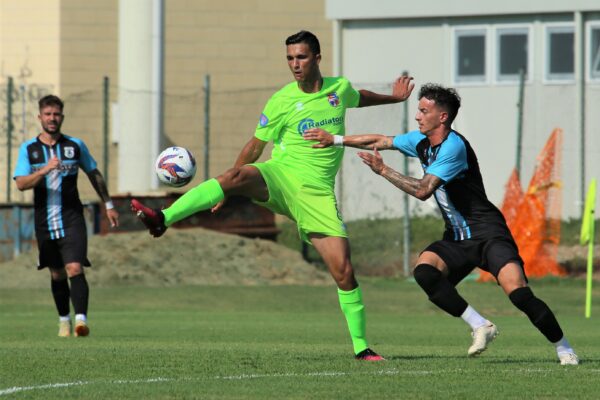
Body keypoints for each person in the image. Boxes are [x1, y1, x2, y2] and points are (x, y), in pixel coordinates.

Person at [130, 30, 414, 360]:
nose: (295, 64)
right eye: (290, 58)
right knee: (238, 175)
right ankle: (163, 218)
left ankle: (361, 348)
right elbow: (255, 146)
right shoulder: (280, 101)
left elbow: (357, 97)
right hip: (279, 175)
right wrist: (227, 187)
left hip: (317, 194)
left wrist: (393, 98)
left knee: (344, 271)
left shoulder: (339, 88)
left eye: (301, 57)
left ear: (317, 58)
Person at [302, 83, 579, 365]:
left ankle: (564, 348)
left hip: (488, 234)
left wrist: (384, 170)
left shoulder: (453, 147)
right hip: (457, 238)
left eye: (424, 111)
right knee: (425, 272)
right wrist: (335, 139)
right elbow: (380, 140)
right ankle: (481, 324)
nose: (418, 116)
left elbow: (423, 190)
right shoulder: (421, 142)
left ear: (442, 117)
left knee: (518, 294)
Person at [14, 95, 119, 337]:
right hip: (44, 221)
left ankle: (81, 320)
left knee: (74, 268)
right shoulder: (28, 149)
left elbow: (95, 174)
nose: (52, 118)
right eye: (48, 114)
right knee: (57, 273)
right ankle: (64, 320)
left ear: (62, 116)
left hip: (72, 217)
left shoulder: (75, 146)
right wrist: (45, 170)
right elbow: (21, 184)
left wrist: (109, 204)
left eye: (57, 114)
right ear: (40, 117)